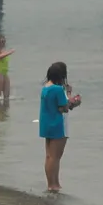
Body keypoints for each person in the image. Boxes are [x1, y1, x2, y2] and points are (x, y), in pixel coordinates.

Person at [39, 60, 81, 193]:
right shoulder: (57, 89)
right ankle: (54, 184)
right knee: (56, 156)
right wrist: (73, 100)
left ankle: (52, 183)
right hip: (58, 124)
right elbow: (64, 108)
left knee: (49, 156)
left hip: (46, 123)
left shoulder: (46, 87)